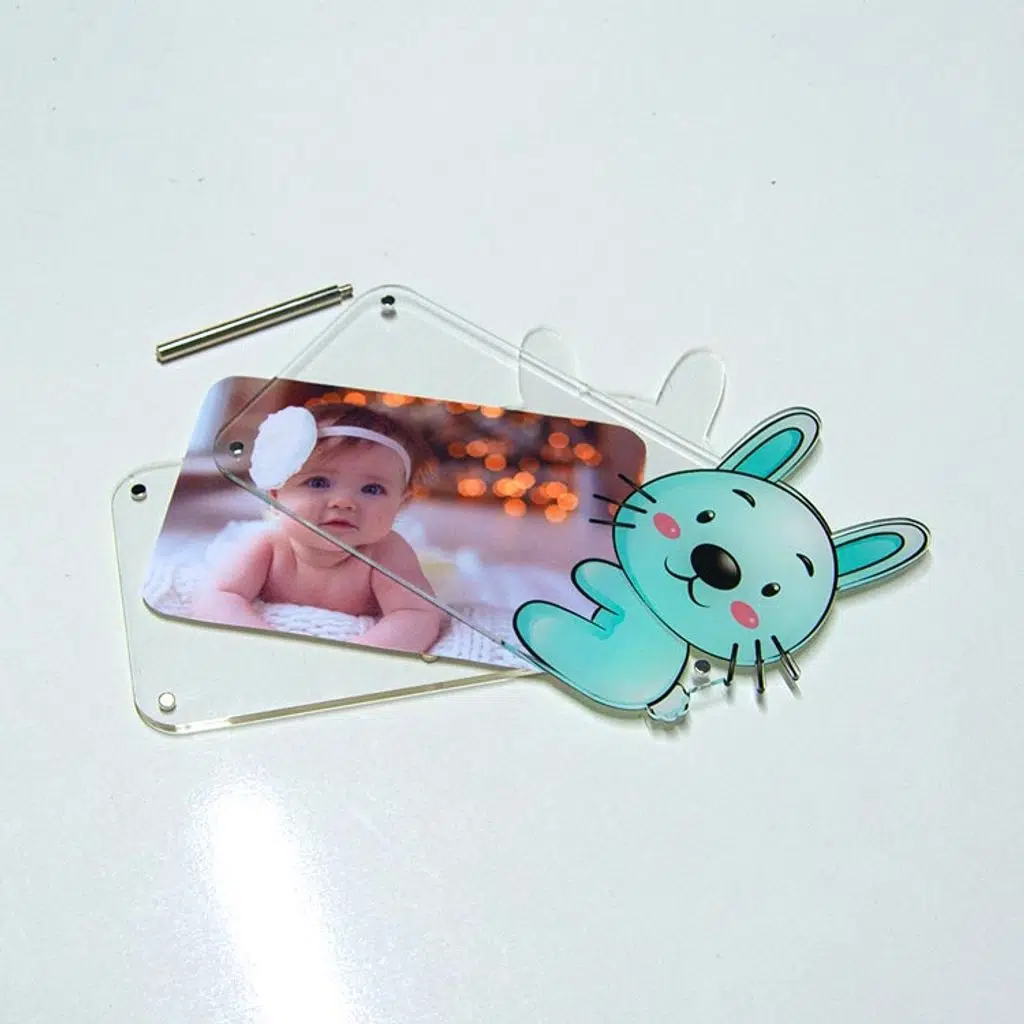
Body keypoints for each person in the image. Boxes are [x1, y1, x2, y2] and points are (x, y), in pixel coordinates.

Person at [192, 400, 446, 654]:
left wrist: (356, 658)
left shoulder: (387, 553)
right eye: (318, 483)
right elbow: (219, 596)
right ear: (275, 495)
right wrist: (264, 648)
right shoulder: (268, 545)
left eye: (372, 489)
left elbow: (417, 614)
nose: (343, 502)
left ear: (400, 504)